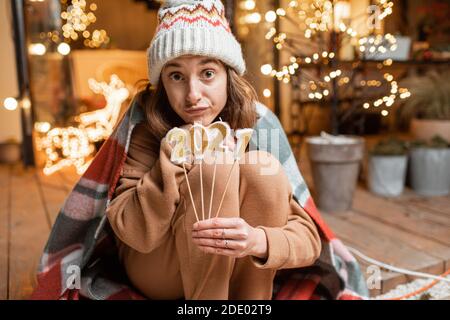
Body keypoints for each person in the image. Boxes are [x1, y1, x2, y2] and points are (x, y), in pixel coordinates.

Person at [105, 0, 322, 300]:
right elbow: (135, 233)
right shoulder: (146, 126)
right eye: (177, 76)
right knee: (215, 167)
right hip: (160, 268)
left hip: (235, 271)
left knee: (262, 167)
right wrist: (172, 159)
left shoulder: (257, 124)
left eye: (207, 73)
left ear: (228, 76)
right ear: (163, 83)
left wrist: (256, 240)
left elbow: (310, 241)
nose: (193, 95)